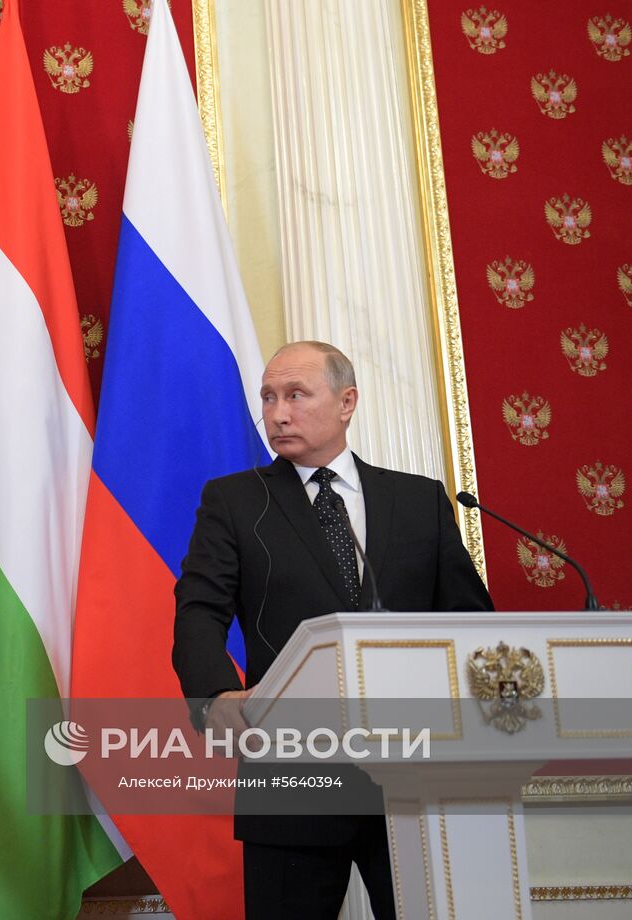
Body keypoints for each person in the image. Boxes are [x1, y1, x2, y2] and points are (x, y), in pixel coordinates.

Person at [172, 340, 492, 920]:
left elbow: (470, 622)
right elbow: (198, 610)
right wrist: (215, 694)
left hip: (417, 771)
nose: (278, 413)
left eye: (296, 395)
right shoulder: (235, 501)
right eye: (269, 397)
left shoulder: (418, 499)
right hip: (292, 771)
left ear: (347, 402)